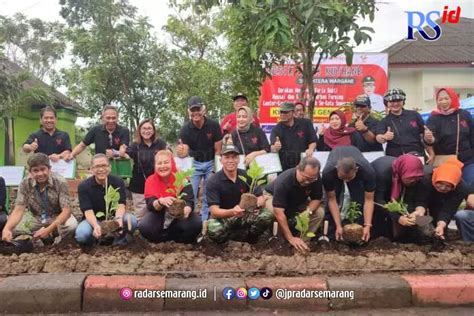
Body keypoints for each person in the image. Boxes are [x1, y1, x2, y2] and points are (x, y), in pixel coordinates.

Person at [1, 153, 78, 247]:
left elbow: (66, 211)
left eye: (43, 169)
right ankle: (37, 240)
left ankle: (58, 240)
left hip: (58, 216)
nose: (40, 174)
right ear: (30, 172)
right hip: (37, 217)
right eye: (35, 170)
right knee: (12, 227)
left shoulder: (60, 182)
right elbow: (19, 209)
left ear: (49, 169)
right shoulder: (25, 183)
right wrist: (7, 229)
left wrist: (48, 229)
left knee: (71, 225)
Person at [206, 143, 273, 243]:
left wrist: (259, 203)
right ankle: (228, 242)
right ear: (221, 160)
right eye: (227, 157)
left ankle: (250, 238)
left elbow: (260, 196)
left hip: (245, 215)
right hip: (226, 217)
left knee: (267, 215)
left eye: (234, 157)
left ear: (239, 160)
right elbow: (214, 211)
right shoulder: (213, 181)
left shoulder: (247, 175)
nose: (230, 161)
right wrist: (232, 211)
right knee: (213, 228)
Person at [176, 96, 223, 221]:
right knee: (190, 192)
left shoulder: (214, 125)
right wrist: (181, 152)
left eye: (198, 109)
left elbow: (218, 150)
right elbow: (184, 151)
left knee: (209, 193)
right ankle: (190, 219)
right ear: (188, 112)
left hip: (210, 162)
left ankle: (205, 220)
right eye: (193, 110)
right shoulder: (185, 129)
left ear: (204, 109)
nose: (195, 112)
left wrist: (215, 169)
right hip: (194, 163)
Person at [139, 150, 202, 243]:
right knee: (145, 226)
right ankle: (162, 240)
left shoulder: (182, 178)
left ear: (172, 163)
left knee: (195, 223)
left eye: (166, 162)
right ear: (155, 165)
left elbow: (189, 200)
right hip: (160, 215)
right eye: (159, 163)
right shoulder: (150, 180)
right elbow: (150, 204)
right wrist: (161, 201)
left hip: (179, 216)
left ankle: (180, 240)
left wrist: (187, 210)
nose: (163, 166)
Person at [264, 157, 324, 253]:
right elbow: (278, 212)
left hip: (297, 200)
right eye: (305, 178)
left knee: (319, 213)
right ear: (298, 169)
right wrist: (290, 238)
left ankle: (302, 242)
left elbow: (316, 198)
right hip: (273, 197)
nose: (308, 182)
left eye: (312, 179)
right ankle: (281, 241)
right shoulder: (283, 181)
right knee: (272, 212)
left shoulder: (315, 178)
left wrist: (308, 212)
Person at [75, 154, 137, 246]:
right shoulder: (84, 186)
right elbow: (87, 211)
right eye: (97, 166)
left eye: (104, 165)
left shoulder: (118, 181)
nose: (101, 169)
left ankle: (119, 241)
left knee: (131, 220)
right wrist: (95, 225)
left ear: (110, 167)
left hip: (113, 218)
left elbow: (121, 204)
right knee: (81, 235)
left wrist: (118, 219)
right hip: (94, 220)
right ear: (92, 169)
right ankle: (94, 242)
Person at [371, 154, 431, 242]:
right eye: (410, 178)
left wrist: (419, 211)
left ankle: (405, 238)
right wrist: (398, 218)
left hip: (398, 183)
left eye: (417, 178)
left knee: (409, 211)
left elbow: (420, 198)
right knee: (380, 216)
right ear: (401, 173)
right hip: (377, 186)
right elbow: (378, 200)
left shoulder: (420, 176)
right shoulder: (382, 174)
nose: (414, 180)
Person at [322, 146, 376, 241]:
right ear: (336, 169)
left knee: (358, 200)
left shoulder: (367, 171)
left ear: (356, 170)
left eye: (349, 178)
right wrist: (338, 226)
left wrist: (367, 225)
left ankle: (360, 234)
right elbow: (331, 199)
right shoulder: (328, 172)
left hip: (356, 173)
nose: (346, 180)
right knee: (335, 198)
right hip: (336, 168)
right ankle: (333, 233)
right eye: (343, 178)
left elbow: (369, 199)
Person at [425, 88, 474, 185]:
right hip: (446, 161)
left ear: (453, 98)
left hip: (467, 160)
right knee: (449, 187)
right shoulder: (434, 118)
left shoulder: (464, 114)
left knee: (471, 183)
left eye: (446, 98)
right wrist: (430, 139)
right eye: (440, 99)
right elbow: (431, 140)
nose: (443, 102)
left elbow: (472, 136)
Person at [125, 119, 167, 222]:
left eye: (149, 128)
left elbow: (166, 157)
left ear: (153, 130)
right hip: (139, 183)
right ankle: (142, 232)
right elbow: (126, 155)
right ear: (139, 130)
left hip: (157, 183)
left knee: (157, 209)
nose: (146, 131)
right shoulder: (135, 145)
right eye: (144, 128)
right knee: (141, 213)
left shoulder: (160, 144)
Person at [426, 157, 474, 241]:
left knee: (441, 223)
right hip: (422, 204)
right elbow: (420, 201)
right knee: (423, 229)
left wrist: (441, 225)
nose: (443, 188)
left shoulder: (461, 187)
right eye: (440, 183)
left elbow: (448, 209)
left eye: (448, 186)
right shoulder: (425, 179)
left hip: (443, 203)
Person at [375, 89, 429, 158]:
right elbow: (378, 137)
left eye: (398, 101)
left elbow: (424, 135)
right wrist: (384, 137)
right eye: (392, 101)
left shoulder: (414, 115)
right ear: (386, 103)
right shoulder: (384, 121)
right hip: (395, 158)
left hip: (417, 155)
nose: (395, 104)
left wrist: (431, 153)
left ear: (403, 101)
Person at [270, 102, 318, 171]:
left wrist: (310, 149)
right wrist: (275, 147)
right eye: (281, 112)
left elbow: (313, 140)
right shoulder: (276, 129)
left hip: (304, 163)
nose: (282, 114)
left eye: (285, 112)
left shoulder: (306, 124)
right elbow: (272, 147)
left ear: (292, 112)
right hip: (285, 166)